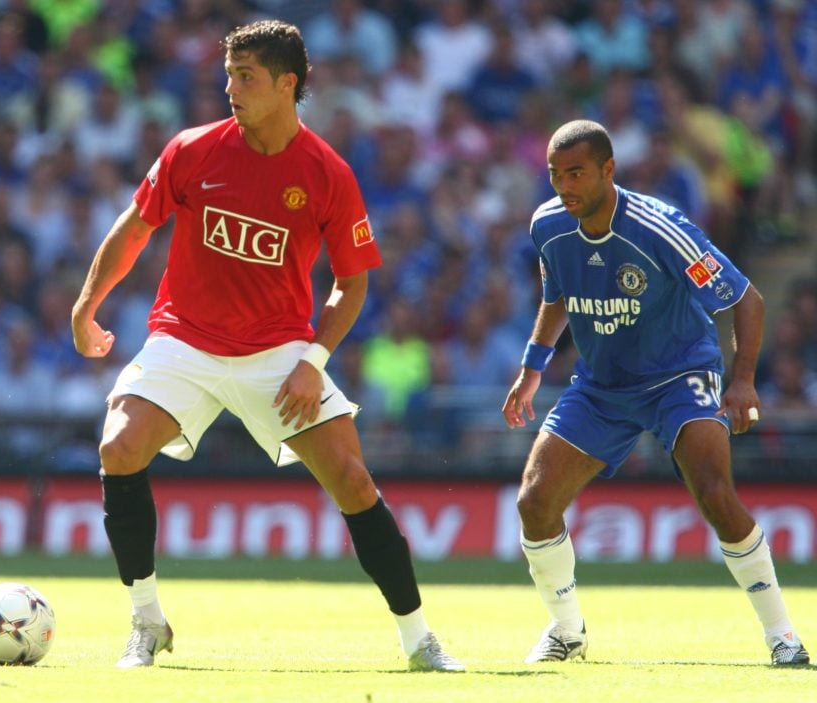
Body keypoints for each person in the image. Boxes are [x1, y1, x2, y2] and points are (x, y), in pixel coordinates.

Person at [71, 20, 462, 673]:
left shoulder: (327, 173)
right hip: (184, 339)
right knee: (118, 446)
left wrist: (314, 361)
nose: (230, 88)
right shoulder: (192, 149)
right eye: (228, 74)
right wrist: (87, 306)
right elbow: (135, 227)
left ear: (288, 85)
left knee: (354, 479)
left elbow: (352, 284)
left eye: (245, 76)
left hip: (278, 353)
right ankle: (147, 622)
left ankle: (419, 638)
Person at [501, 119, 809, 666]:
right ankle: (567, 633)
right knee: (534, 502)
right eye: (555, 174)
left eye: (576, 173)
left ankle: (783, 636)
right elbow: (558, 294)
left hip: (678, 376)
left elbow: (746, 297)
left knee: (714, 492)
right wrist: (532, 368)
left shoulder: (660, 227)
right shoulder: (548, 225)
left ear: (608, 169)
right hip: (601, 387)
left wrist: (740, 381)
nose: (564, 186)